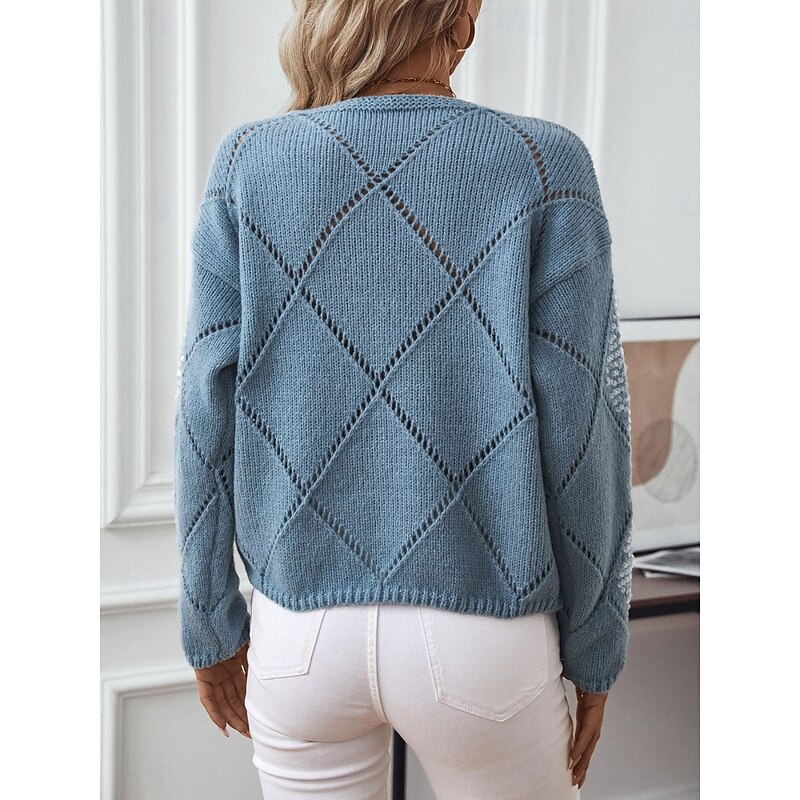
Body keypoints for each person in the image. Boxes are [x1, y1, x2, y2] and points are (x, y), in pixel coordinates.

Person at [172, 1, 634, 797]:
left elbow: (202, 417)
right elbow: (585, 435)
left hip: (299, 634)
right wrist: (597, 649)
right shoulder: (544, 163)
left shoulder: (249, 162)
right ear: (462, 21)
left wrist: (209, 625)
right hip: (488, 633)